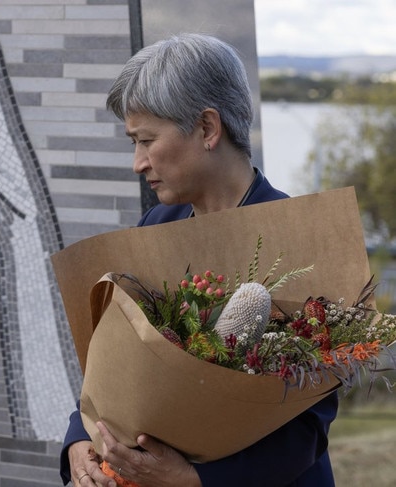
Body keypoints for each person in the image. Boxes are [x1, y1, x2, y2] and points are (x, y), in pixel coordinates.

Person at [60, 34, 337, 487]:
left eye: (147, 140)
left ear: (208, 128)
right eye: (134, 141)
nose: (137, 162)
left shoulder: (300, 241)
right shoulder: (156, 222)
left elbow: (308, 426)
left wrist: (195, 480)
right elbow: (111, 365)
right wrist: (79, 440)